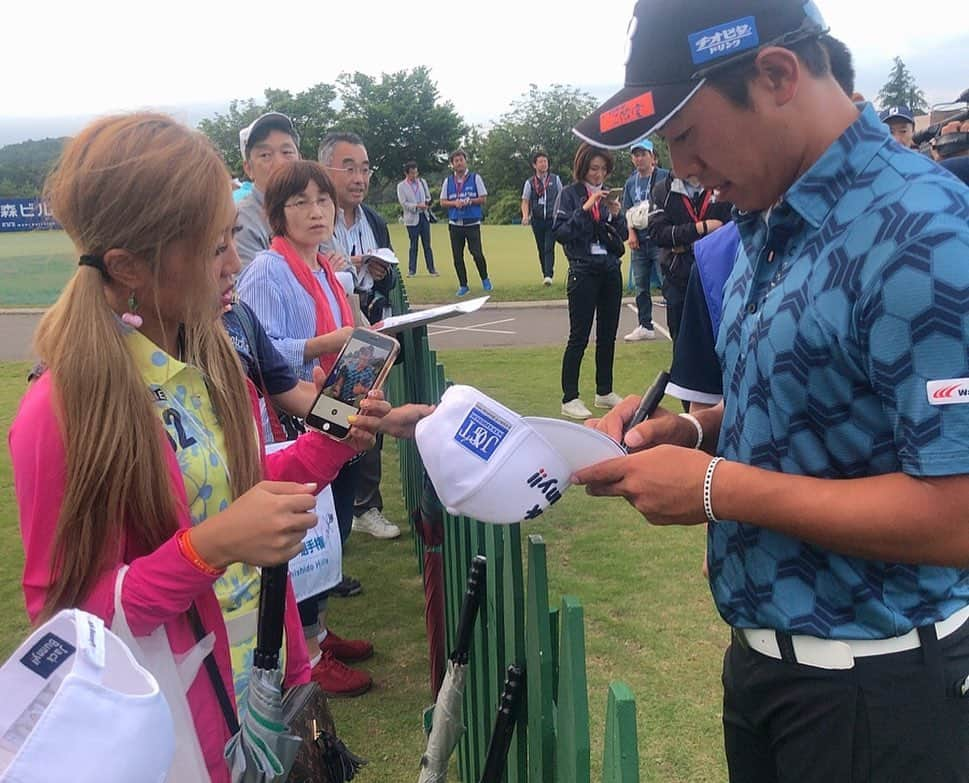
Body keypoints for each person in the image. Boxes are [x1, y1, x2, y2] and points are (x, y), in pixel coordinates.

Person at [574, 0, 969, 780]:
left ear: (777, 74)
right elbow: (818, 402)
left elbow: (955, 513)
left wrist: (717, 487)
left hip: (876, 686)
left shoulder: (921, 233)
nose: (679, 166)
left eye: (684, 135)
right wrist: (689, 434)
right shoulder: (768, 217)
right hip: (766, 666)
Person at [7, 114, 385, 781]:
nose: (234, 263)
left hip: (270, 694)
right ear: (128, 267)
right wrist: (208, 548)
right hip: (179, 731)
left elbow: (237, 485)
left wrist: (332, 439)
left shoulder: (209, 358)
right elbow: (73, 620)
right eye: (213, 248)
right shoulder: (60, 410)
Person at [235, 160, 378, 697]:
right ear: (277, 213)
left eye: (323, 201)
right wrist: (327, 344)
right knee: (306, 536)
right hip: (294, 424)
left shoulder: (321, 267)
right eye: (301, 203)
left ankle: (316, 632)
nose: (316, 211)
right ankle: (308, 651)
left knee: (331, 528)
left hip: (330, 413)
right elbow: (261, 356)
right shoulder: (269, 271)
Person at [319, 131, 402, 542]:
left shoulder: (374, 221)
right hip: (330, 335)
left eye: (365, 168)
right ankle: (333, 512)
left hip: (370, 329)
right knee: (331, 418)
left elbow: (390, 279)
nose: (359, 177)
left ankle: (366, 506)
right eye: (348, 167)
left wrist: (382, 275)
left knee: (368, 415)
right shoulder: (317, 220)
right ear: (325, 170)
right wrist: (345, 268)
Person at [553, 143, 627, 420]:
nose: (598, 175)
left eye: (603, 170)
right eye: (593, 169)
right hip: (582, 270)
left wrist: (617, 213)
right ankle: (569, 397)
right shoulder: (569, 195)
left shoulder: (608, 195)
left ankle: (604, 390)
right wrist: (586, 208)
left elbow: (621, 235)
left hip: (610, 269)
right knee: (579, 336)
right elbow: (561, 233)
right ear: (583, 168)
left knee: (608, 334)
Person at [646, 173, 733, 354]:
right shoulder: (662, 190)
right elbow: (658, 234)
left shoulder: (723, 182)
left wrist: (682, 243)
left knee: (720, 347)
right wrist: (703, 228)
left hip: (718, 279)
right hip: (678, 278)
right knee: (682, 350)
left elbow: (732, 230)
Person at [234, 112, 301, 264]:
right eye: (265, 155)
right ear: (248, 168)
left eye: (287, 152)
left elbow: (347, 272)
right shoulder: (241, 220)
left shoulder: (314, 207)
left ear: (300, 160)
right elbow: (255, 284)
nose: (279, 163)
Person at [621, 139, 668, 341]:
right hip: (639, 240)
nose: (639, 158)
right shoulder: (631, 182)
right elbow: (627, 210)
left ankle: (677, 325)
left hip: (660, 238)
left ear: (652, 157)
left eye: (643, 154)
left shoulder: (664, 177)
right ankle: (645, 325)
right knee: (641, 286)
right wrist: (630, 233)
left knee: (669, 283)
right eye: (636, 155)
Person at [440, 149, 493, 296]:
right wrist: (454, 203)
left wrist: (470, 201)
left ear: (465, 161)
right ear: (452, 164)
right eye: (456, 161)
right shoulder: (448, 181)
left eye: (461, 160)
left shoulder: (475, 178)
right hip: (455, 224)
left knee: (477, 254)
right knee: (457, 257)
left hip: (472, 224)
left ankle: (485, 279)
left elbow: (483, 198)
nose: (459, 163)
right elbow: (442, 202)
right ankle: (463, 285)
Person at [520, 150, 563, 285]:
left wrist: (562, 214)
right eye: (540, 162)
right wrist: (525, 216)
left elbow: (562, 197)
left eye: (545, 161)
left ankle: (549, 275)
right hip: (537, 220)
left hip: (552, 218)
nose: (544, 164)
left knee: (549, 246)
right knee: (541, 247)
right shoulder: (530, 182)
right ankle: (545, 273)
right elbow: (525, 201)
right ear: (535, 165)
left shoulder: (555, 180)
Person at [396, 161, 438, 277]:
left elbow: (428, 197)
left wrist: (426, 204)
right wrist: (416, 206)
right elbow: (404, 203)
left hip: (424, 216)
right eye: (412, 173)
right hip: (411, 219)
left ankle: (432, 269)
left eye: (416, 172)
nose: (415, 175)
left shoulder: (422, 182)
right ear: (406, 173)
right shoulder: (401, 186)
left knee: (427, 245)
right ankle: (412, 270)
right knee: (413, 245)